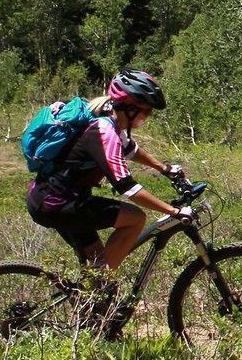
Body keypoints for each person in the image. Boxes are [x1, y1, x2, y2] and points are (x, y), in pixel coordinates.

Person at [26, 69, 192, 273]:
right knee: (135, 218)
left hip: (53, 198)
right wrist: (174, 211)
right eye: (146, 111)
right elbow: (127, 188)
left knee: (96, 259)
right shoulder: (104, 130)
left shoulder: (108, 120)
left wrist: (164, 168)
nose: (146, 117)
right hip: (56, 203)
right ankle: (99, 289)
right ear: (129, 108)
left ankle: (91, 299)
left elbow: (130, 148)